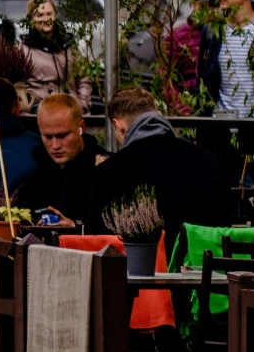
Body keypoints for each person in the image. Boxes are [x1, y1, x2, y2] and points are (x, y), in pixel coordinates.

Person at [89, 83, 231, 240]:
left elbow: (97, 236)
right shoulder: (207, 160)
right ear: (157, 114)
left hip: (142, 263)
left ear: (119, 126)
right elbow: (224, 226)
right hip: (201, 259)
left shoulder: (110, 171)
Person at [24, 90, 104, 225]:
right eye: (48, 137)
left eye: (62, 136)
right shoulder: (34, 176)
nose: (55, 146)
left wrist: (75, 227)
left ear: (81, 127)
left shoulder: (103, 168)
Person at [19, 0, 90, 112]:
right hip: (39, 111)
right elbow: (19, 86)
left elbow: (83, 78)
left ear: (55, 15)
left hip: (70, 108)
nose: (45, 19)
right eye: (39, 15)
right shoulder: (24, 50)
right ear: (31, 18)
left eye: (49, 14)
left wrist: (82, 104)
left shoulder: (69, 46)